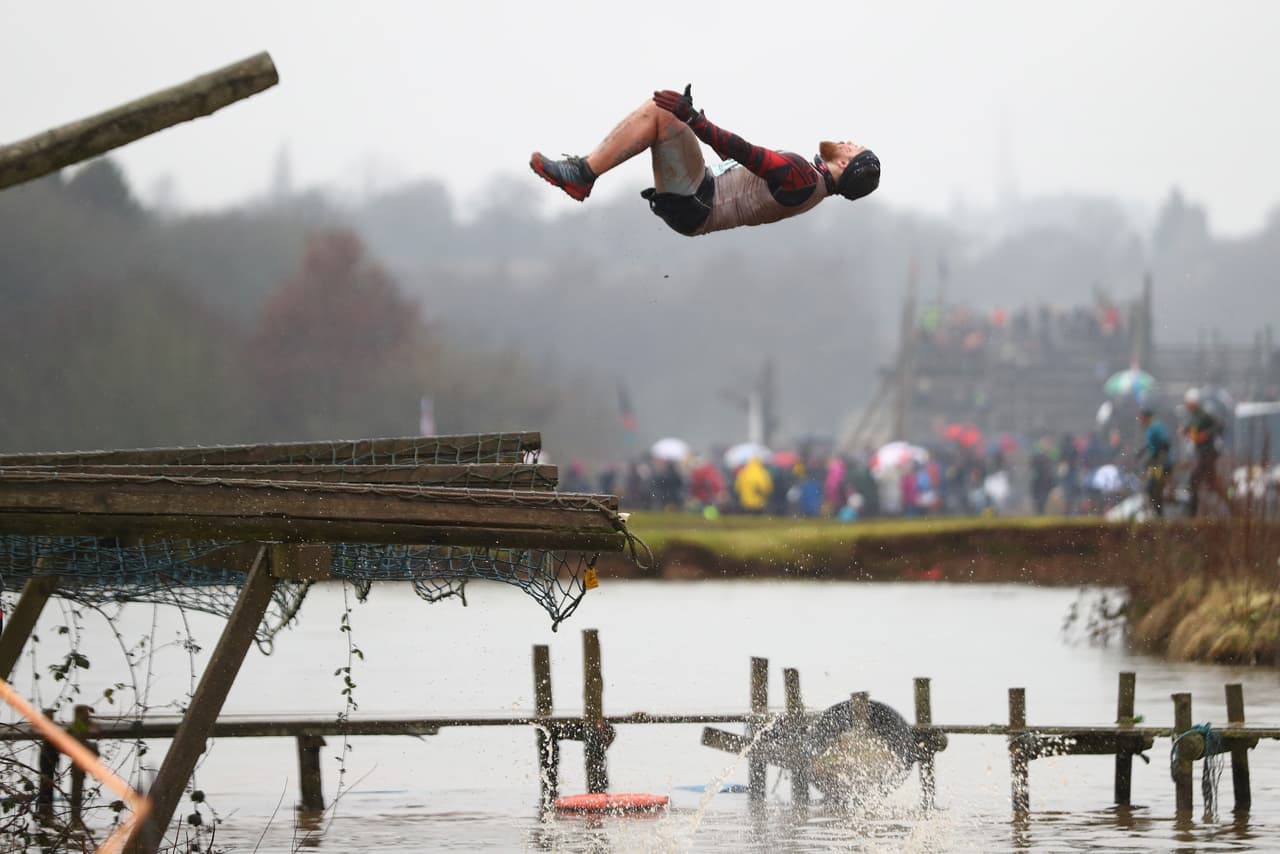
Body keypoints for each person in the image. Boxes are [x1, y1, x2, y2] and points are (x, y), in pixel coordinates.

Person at [530, 85, 880, 237]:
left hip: (700, 201)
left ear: (850, 163)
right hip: (699, 203)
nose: (849, 141)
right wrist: (697, 125)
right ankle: (583, 172)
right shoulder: (808, 185)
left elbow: (748, 153)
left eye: (855, 147)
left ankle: (583, 174)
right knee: (670, 117)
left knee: (661, 113)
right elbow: (740, 171)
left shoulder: (804, 177)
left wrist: (696, 121)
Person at [1182, 388, 1227, 517]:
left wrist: (1206, 434)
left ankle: (1192, 514)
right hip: (1202, 453)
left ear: (1193, 403)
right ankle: (1233, 507)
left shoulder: (1203, 413)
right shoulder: (1193, 415)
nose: (1187, 406)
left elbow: (1219, 425)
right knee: (1212, 483)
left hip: (1208, 453)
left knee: (1194, 480)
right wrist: (1185, 431)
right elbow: (1192, 428)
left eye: (1188, 403)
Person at [1137, 407, 1172, 517]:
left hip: (1160, 464)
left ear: (1146, 418)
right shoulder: (1150, 429)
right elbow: (1152, 444)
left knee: (1154, 487)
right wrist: (1142, 452)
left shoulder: (1156, 427)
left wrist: (1159, 456)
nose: (1140, 421)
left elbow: (1165, 442)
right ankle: (1158, 513)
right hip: (1155, 463)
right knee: (1152, 488)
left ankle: (1159, 514)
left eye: (1141, 418)